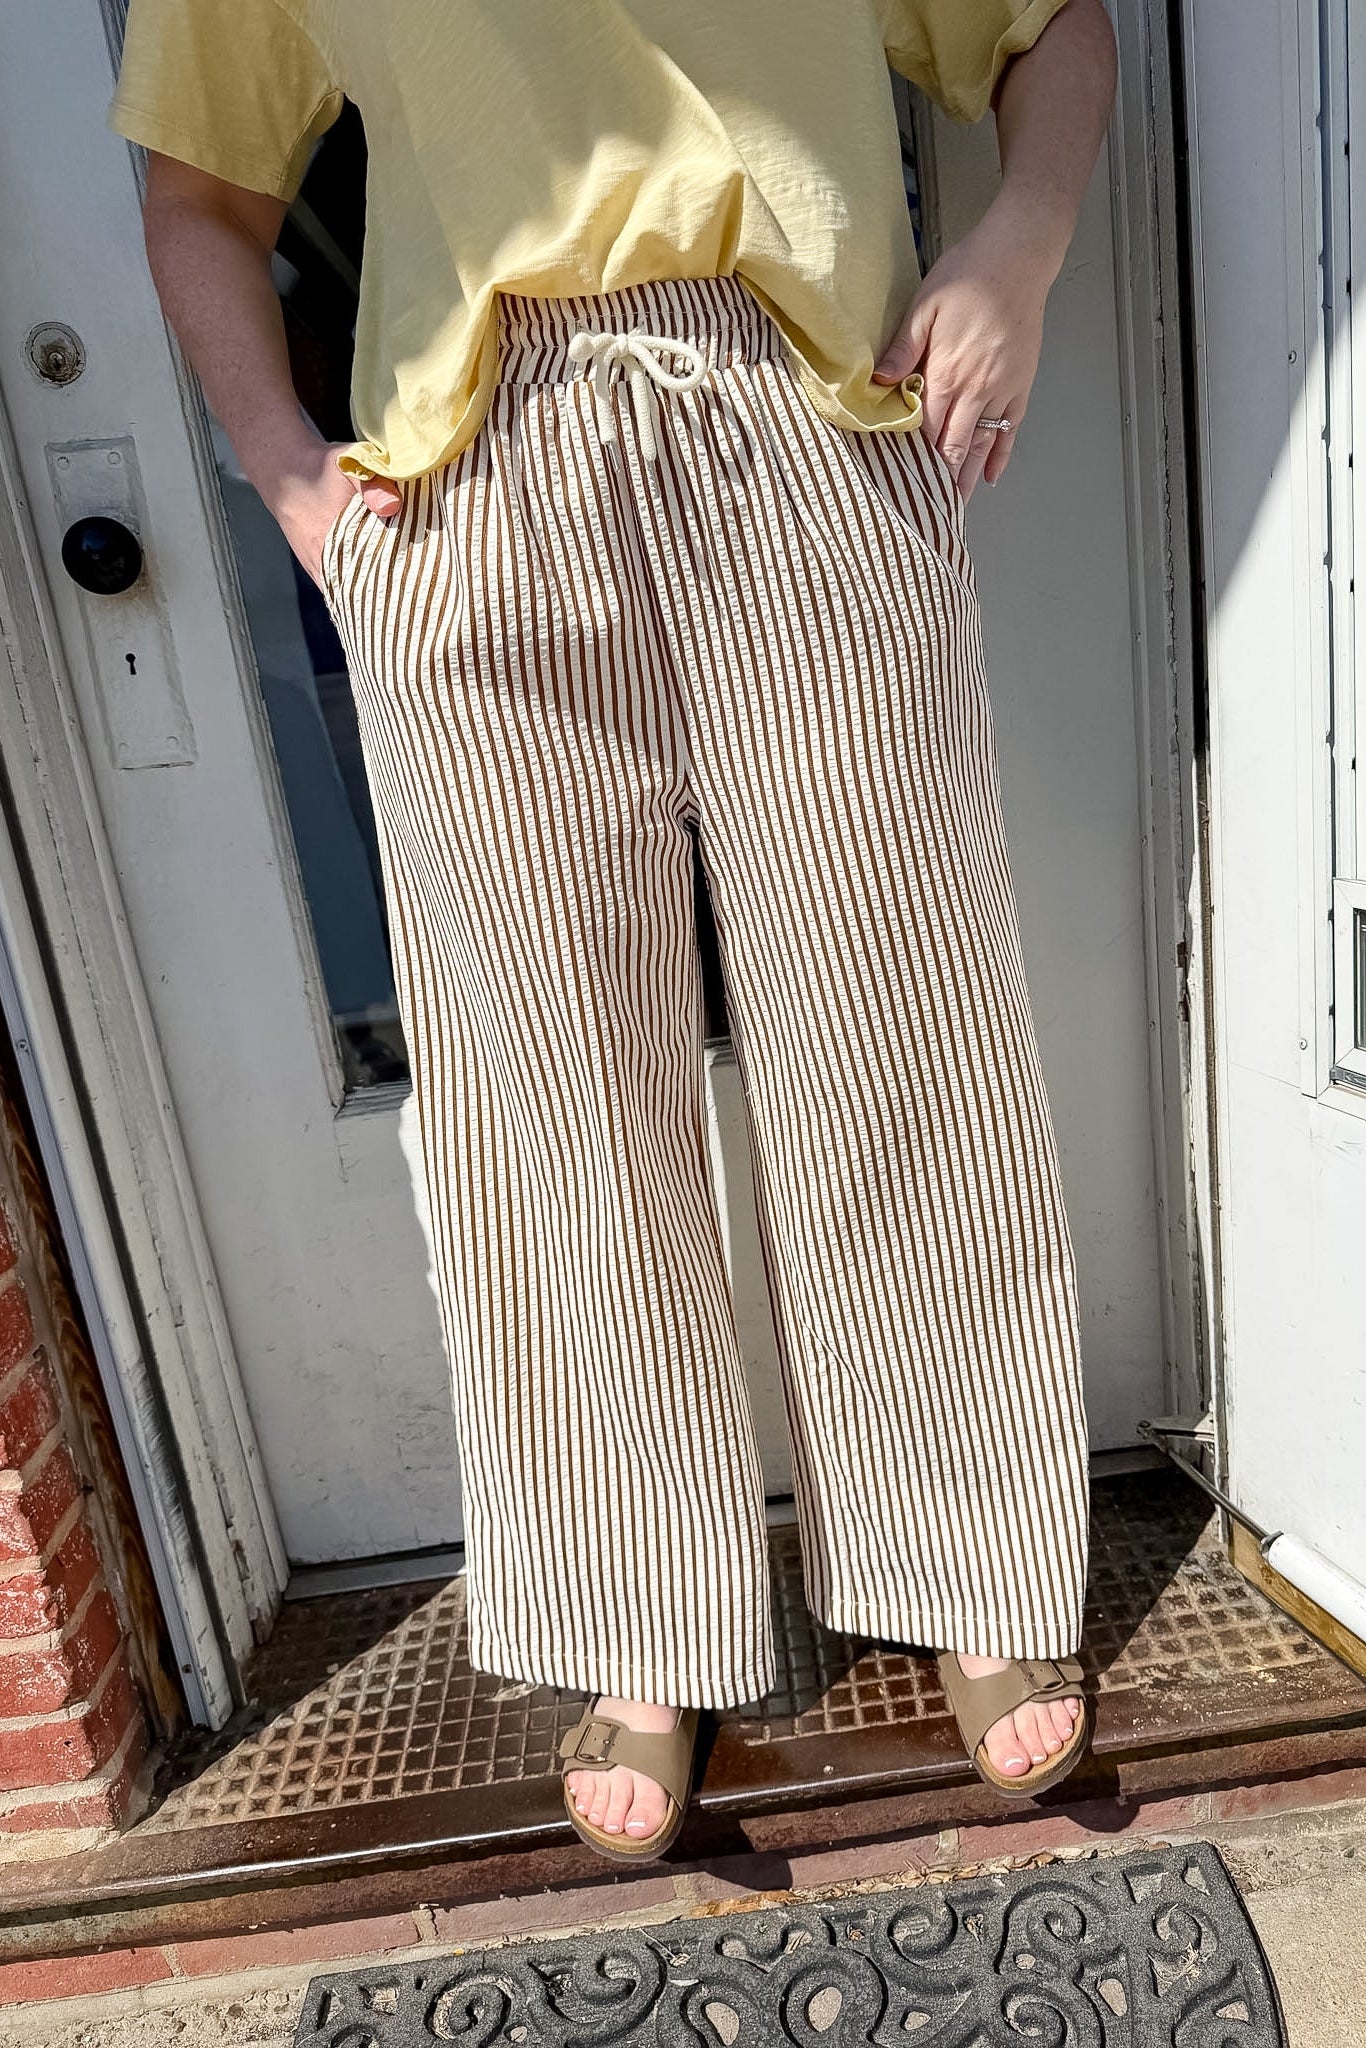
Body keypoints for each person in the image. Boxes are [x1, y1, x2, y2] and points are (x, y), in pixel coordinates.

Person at [107, 0, 1117, 1863]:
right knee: (549, 1090)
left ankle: (968, 1564)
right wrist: (292, 487)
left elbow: (1048, 26)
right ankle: (641, 1628)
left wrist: (1018, 246)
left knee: (900, 1035)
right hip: (478, 470)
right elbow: (200, 193)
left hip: (800, 435)